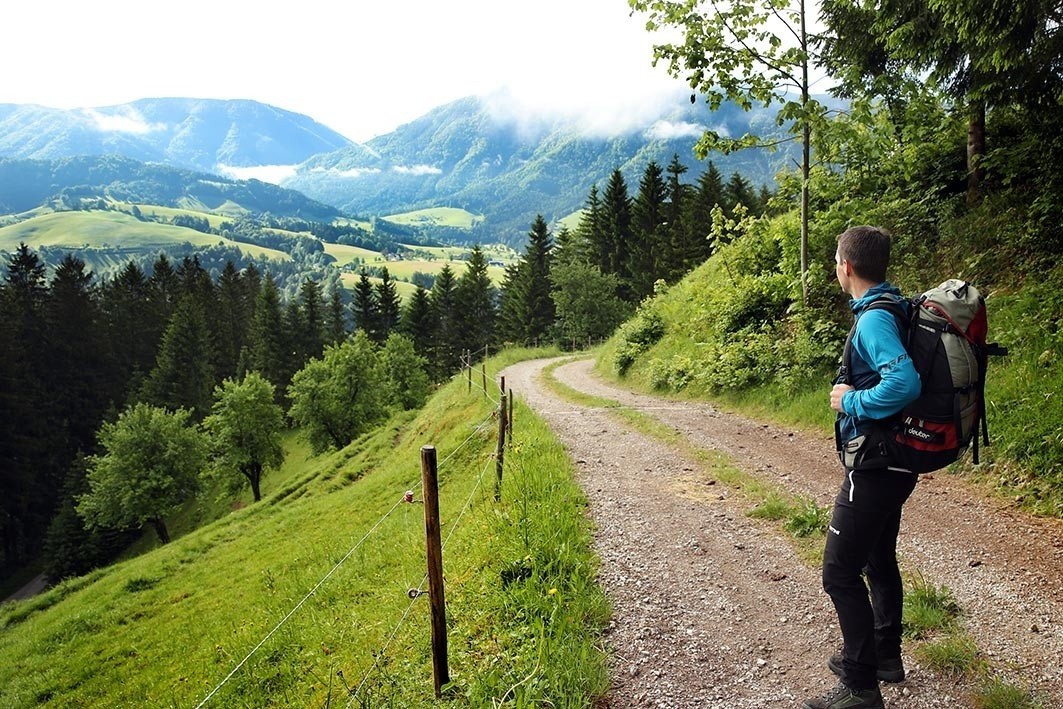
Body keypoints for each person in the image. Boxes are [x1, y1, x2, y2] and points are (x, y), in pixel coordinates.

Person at [803, 226, 922, 709]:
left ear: (845, 266)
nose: (836, 266)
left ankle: (860, 685)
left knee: (838, 573)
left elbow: (905, 384)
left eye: (836, 259)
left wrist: (852, 400)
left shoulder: (874, 320)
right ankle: (885, 657)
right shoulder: (897, 307)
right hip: (897, 462)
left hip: (874, 465)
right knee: (877, 558)